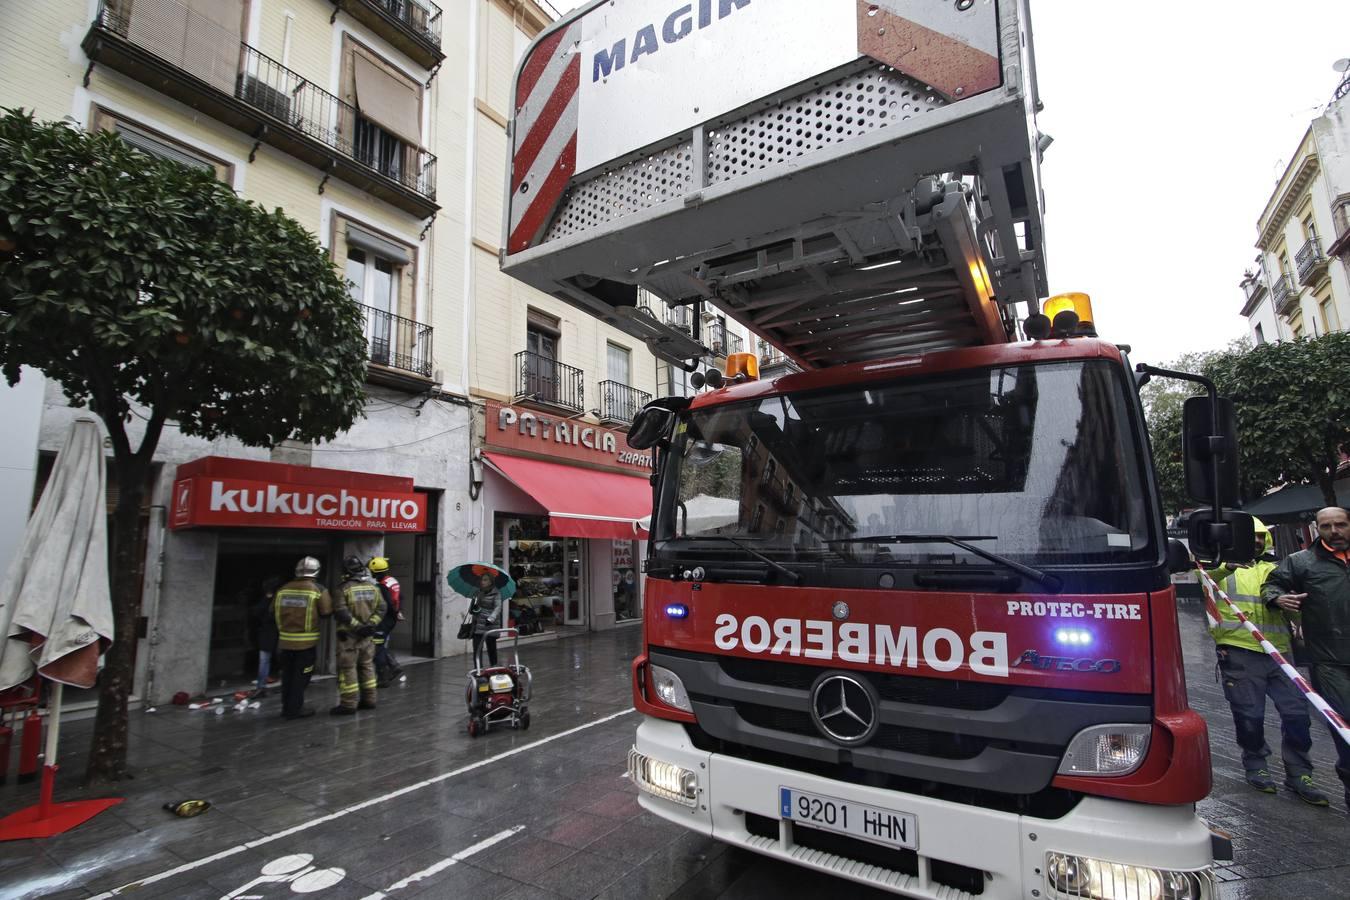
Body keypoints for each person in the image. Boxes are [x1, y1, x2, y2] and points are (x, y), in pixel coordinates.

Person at [1205, 518, 1323, 803]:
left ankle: (1299, 773)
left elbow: (1294, 605)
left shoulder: (1278, 568)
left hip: (1279, 653)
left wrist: (1300, 623)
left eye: (1260, 537)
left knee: (1297, 715)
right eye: (1251, 537)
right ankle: (1256, 766)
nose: (1256, 542)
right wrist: (1225, 565)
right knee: (1249, 716)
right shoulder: (1221, 568)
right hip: (1239, 649)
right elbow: (1205, 577)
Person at [1264, 506, 1350, 810]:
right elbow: (1272, 584)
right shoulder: (1302, 563)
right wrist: (1277, 597)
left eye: (1340, 525)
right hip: (1330, 661)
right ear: (1317, 529)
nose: (1334, 532)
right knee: (1345, 725)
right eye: (1327, 526)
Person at [271, 557, 333, 720]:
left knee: (288, 677)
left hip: (284, 643)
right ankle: (294, 709)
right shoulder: (318, 589)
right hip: (306, 644)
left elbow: (272, 611)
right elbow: (327, 611)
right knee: (301, 678)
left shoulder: (283, 589)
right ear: (316, 571)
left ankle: (287, 707)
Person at [331, 555, 386, 716]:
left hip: (348, 638)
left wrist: (358, 627)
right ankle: (369, 700)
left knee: (348, 669)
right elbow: (382, 608)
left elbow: (341, 611)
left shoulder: (343, 588)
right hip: (367, 637)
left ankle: (348, 704)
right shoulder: (373, 587)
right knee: (367, 667)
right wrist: (371, 625)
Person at [368, 556, 405, 687]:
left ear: (375, 572)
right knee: (380, 645)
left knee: (377, 648)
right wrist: (398, 611)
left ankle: (383, 677)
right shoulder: (392, 581)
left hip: (384, 620)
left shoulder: (381, 586)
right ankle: (394, 667)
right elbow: (400, 597)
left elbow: (386, 604)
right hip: (391, 618)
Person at [251, 574, 285, 699]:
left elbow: (257, 612)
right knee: (280, 660)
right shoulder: (278, 598)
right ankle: (265, 686)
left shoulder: (270, 599)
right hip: (278, 633)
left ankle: (261, 687)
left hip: (272, 633)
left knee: (266, 660)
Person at [470, 572, 502, 668]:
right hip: (479, 624)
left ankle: (494, 667)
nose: (482, 582)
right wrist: (473, 606)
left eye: (485, 580)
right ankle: (478, 670)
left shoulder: (497, 593)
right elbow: (476, 609)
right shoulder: (480, 592)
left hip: (490, 625)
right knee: (477, 649)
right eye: (482, 579)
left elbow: (498, 607)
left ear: (491, 581)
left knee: (491, 649)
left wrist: (491, 619)